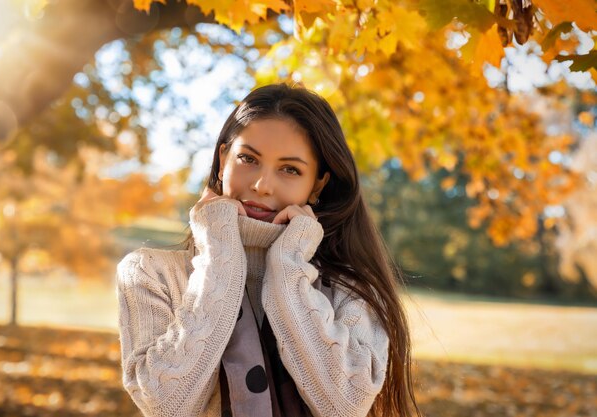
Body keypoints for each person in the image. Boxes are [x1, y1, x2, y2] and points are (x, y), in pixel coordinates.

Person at [116, 84, 420, 417]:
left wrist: (289, 267)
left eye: (290, 169)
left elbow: (345, 404)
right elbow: (166, 403)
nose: (262, 185)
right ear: (222, 161)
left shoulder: (351, 287)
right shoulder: (150, 273)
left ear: (318, 184)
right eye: (248, 159)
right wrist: (220, 255)